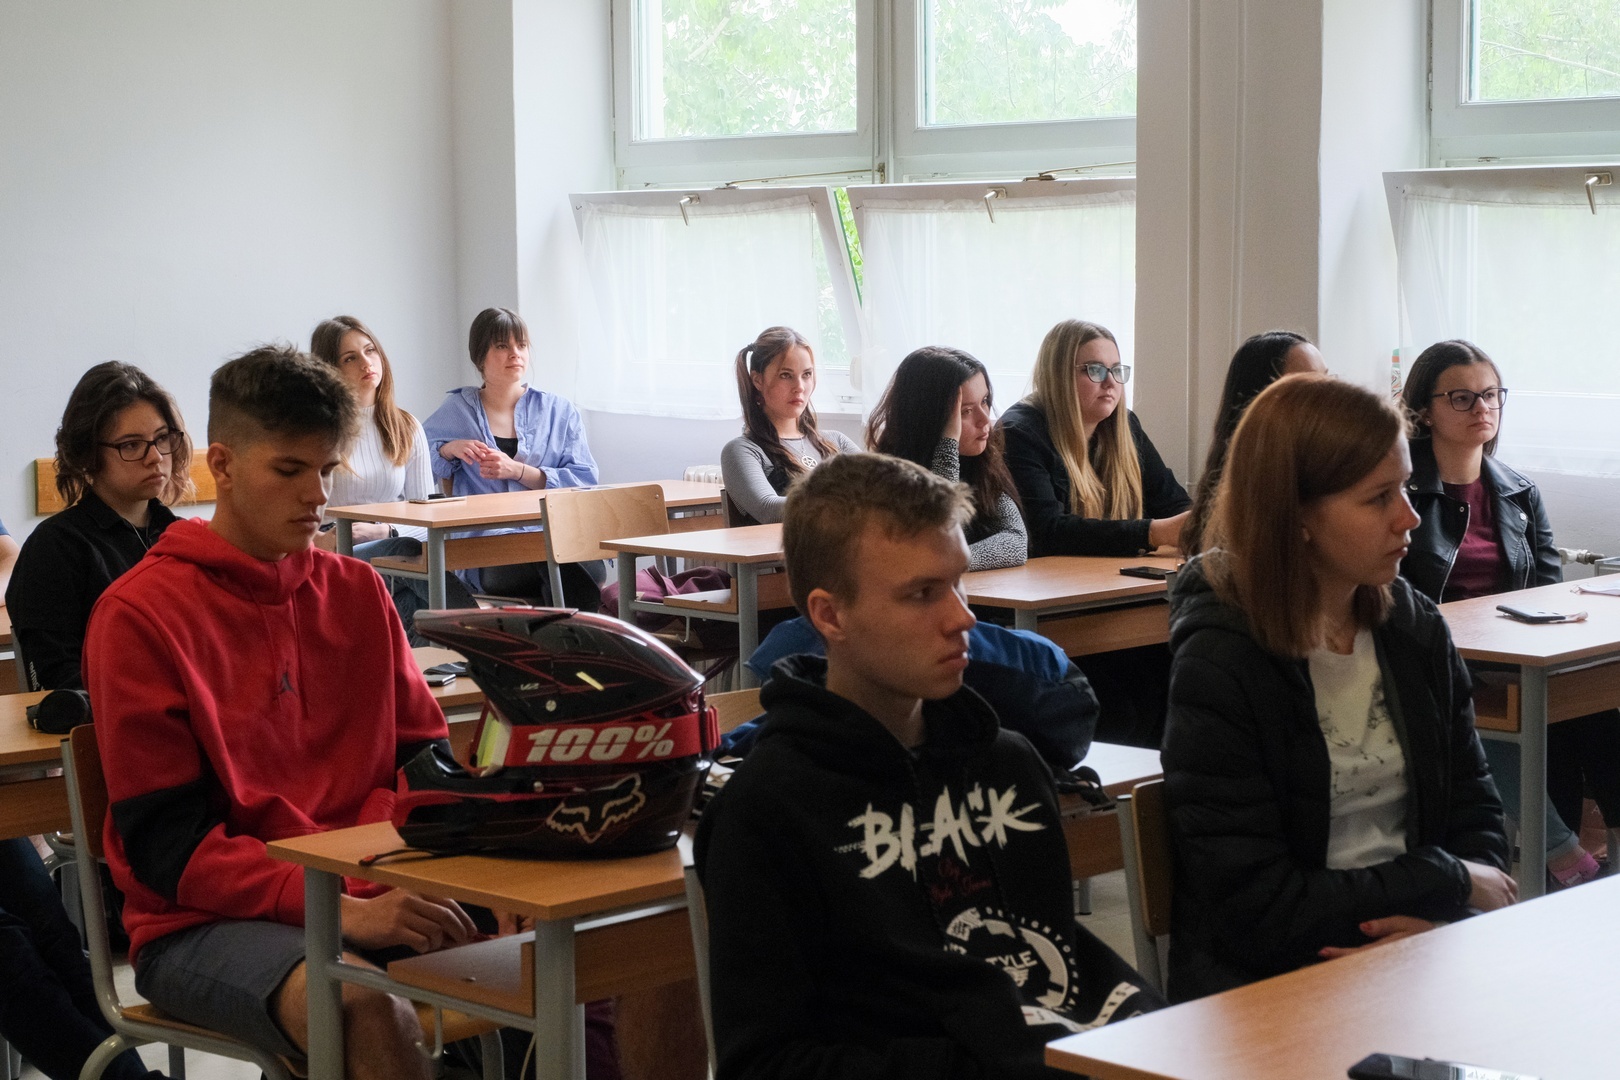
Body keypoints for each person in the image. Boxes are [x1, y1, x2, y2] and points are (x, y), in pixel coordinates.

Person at [695, 452, 1159, 1079]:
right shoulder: (768, 807)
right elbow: (764, 1063)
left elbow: (1053, 971)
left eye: (958, 582)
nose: (963, 618)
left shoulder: (1009, 765)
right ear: (830, 615)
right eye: (922, 594)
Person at [86, 347, 477, 1077]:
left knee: (620, 934)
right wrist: (340, 908)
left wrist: (483, 871)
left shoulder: (359, 591)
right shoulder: (138, 615)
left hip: (376, 882)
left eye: (327, 470)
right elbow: (169, 849)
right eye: (290, 471)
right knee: (366, 1007)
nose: (316, 497)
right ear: (223, 465)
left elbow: (427, 764)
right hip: (203, 923)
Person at [1162, 374, 1514, 1003]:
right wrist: (1445, 879)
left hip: (1419, 957)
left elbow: (1477, 815)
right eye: (1378, 498)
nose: (1409, 517)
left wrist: (1435, 928)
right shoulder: (1224, 659)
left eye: (1405, 487)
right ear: (1296, 514)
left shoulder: (1413, 627)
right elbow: (1255, 905)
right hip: (1269, 987)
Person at [1399, 339, 1620, 888]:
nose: (1483, 408)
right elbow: (1396, 599)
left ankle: (1586, 868)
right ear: (1424, 411)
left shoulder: (1519, 492)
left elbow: (1546, 592)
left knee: (1596, 706)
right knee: (1511, 708)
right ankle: (1564, 859)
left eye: (1492, 395)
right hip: (1435, 659)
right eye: (1462, 398)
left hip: (1514, 655)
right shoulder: (1400, 492)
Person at [7, 363, 192, 690]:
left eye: (162, 438)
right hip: (112, 716)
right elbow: (57, 678)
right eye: (131, 445)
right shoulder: (55, 547)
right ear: (88, 454)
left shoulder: (184, 538)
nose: (155, 457)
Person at [310, 316, 474, 640]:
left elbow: (427, 519)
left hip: (393, 546)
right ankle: (483, 636)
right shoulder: (315, 432)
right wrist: (327, 541)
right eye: (350, 358)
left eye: (370, 350)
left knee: (414, 605)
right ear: (329, 371)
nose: (366, 363)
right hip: (335, 551)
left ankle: (452, 658)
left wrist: (385, 530)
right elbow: (295, 529)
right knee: (407, 555)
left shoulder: (406, 426)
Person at [424, 306, 601, 602]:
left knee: (574, 567)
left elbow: (584, 481)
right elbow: (413, 459)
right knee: (565, 570)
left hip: (556, 534)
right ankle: (572, 629)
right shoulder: (457, 410)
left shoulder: (559, 411)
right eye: (502, 346)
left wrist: (518, 471)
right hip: (489, 550)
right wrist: (447, 450)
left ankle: (553, 628)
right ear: (480, 356)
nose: (515, 354)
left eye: (521, 345)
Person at [999, 319, 1190, 558]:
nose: (1111, 383)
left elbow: (1172, 502)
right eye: (1095, 370)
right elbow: (1047, 532)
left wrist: (1195, 525)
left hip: (1105, 575)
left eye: (1116, 370)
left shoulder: (1126, 425)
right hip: (1049, 578)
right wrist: (1153, 533)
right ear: (1059, 376)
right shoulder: (1020, 433)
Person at [867, 346, 1026, 570]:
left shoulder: (980, 464)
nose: (985, 420)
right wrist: (948, 445)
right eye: (965, 411)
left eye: (984, 401)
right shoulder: (889, 481)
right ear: (929, 419)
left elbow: (1016, 541)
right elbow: (940, 539)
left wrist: (953, 562)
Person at [1182, 330, 1326, 556]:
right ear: (1262, 400)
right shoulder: (1248, 498)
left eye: (1327, 379)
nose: (1329, 394)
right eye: (1310, 385)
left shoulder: (1330, 468)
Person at [719, 325, 859, 526]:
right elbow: (768, 509)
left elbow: (880, 487)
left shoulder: (836, 441)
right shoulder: (743, 450)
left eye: (807, 374)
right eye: (786, 375)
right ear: (758, 380)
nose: (799, 387)